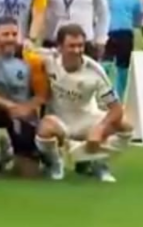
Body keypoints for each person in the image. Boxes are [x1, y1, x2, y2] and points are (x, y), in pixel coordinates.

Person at [37, 24, 134, 183]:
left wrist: (100, 128)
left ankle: (96, 160)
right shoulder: (49, 59)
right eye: (71, 46)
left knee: (124, 125)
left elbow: (116, 109)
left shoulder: (94, 71)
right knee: (44, 128)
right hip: (59, 120)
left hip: (85, 120)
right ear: (60, 47)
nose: (77, 50)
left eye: (80, 45)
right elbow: (22, 48)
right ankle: (55, 163)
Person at [0, 17, 50, 179]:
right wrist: (7, 104)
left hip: (22, 111)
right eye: (5, 34)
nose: (11, 39)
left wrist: (25, 108)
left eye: (14, 34)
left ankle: (7, 154)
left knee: (28, 174)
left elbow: (42, 96)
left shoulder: (31, 59)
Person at [105, 0, 143, 99]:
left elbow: (139, 18)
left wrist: (140, 37)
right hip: (107, 34)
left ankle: (118, 98)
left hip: (126, 35)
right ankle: (102, 95)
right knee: (104, 66)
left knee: (123, 68)